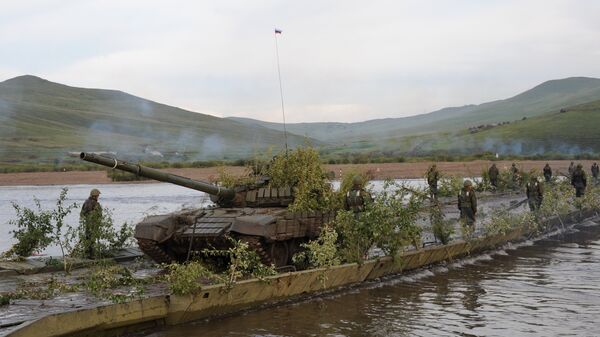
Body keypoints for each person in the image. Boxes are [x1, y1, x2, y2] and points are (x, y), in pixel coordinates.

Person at [80, 188, 103, 258]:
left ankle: (87, 253)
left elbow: (82, 214)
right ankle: (91, 255)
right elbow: (98, 214)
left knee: (88, 238)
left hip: (88, 224)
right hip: (93, 224)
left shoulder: (86, 202)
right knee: (92, 239)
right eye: (98, 196)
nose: (98, 197)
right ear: (95, 196)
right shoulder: (94, 203)